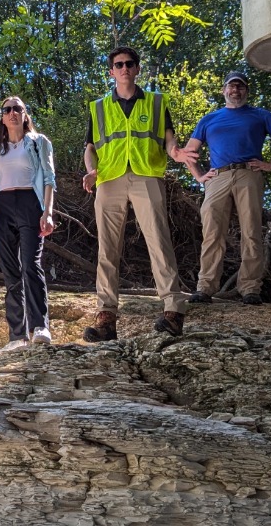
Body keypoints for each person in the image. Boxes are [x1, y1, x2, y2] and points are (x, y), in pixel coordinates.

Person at [81, 46, 190, 341]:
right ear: (111, 72)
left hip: (147, 175)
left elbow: (169, 139)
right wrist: (91, 171)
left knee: (159, 241)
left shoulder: (156, 102)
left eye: (130, 63)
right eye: (119, 64)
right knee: (107, 248)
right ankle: (106, 318)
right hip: (109, 179)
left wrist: (176, 153)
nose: (124, 68)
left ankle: (174, 310)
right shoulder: (99, 107)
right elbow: (90, 147)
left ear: (138, 68)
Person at [180, 71, 271, 305]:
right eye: (231, 86)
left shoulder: (260, 115)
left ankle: (250, 289)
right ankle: (205, 287)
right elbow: (189, 151)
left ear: (247, 91)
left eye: (240, 87)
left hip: (249, 174)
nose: (235, 90)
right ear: (224, 90)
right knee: (212, 232)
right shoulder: (209, 119)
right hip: (218, 177)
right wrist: (199, 176)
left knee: (251, 231)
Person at [0, 97, 57, 351]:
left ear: (24, 114)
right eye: (7, 110)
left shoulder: (38, 142)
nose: (12, 113)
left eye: (17, 109)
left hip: (30, 203)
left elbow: (49, 179)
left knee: (31, 264)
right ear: (2, 117)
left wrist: (48, 212)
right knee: (10, 271)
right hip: (1, 208)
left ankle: (40, 326)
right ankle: (17, 335)